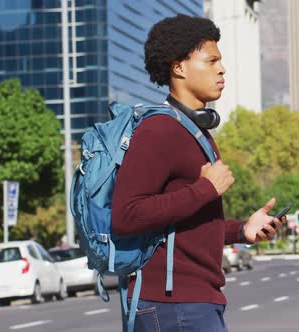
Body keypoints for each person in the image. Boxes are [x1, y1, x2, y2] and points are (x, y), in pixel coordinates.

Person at [111, 14, 283, 331]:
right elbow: (126, 215)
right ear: (179, 67)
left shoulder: (194, 131)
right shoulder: (159, 129)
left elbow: (187, 225)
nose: (222, 68)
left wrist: (242, 230)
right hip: (171, 306)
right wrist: (205, 189)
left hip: (193, 302)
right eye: (212, 60)